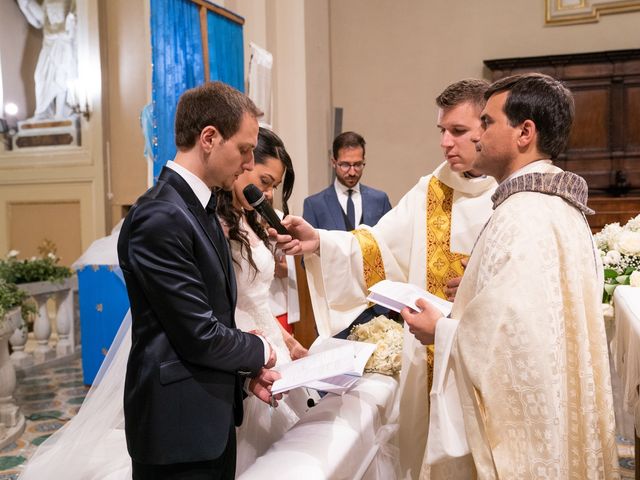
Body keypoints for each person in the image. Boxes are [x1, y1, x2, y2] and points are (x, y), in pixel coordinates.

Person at [270, 79, 497, 479]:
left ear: (488, 126)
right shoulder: (431, 190)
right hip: (428, 364)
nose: (446, 142)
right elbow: (377, 245)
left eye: (458, 131)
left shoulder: (510, 192)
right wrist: (319, 240)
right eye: (442, 131)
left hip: (488, 364)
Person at [401, 73, 619, 478]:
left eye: (486, 122)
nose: (477, 136)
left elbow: (512, 344)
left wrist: (441, 330)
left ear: (525, 132)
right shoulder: (555, 207)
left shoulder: (523, 216)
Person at [117, 82, 281, 479]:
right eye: (243, 149)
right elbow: (198, 333)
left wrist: (243, 373)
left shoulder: (199, 208)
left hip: (207, 416)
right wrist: (260, 350)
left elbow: (213, 316)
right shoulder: (160, 215)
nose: (247, 163)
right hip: (176, 429)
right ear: (209, 137)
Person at [215, 126, 310, 474]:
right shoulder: (217, 224)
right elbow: (227, 302)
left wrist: (288, 341)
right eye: (266, 180)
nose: (268, 194)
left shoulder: (250, 219)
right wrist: (257, 353)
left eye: (273, 186)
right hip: (243, 348)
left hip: (270, 340)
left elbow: (258, 298)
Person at [303, 131, 393, 337]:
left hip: (376, 306)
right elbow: (305, 260)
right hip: (336, 309)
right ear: (333, 161)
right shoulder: (314, 205)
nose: (352, 172)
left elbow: (391, 248)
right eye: (345, 165)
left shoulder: (380, 200)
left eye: (358, 164)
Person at [17, 0, 77, 120]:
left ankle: (60, 114)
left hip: (63, 54)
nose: (52, 15)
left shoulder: (67, 23)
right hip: (48, 52)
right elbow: (38, 17)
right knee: (39, 76)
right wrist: (26, 4)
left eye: (56, 12)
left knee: (61, 81)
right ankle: (42, 112)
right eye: (50, 12)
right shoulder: (48, 22)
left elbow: (70, 30)